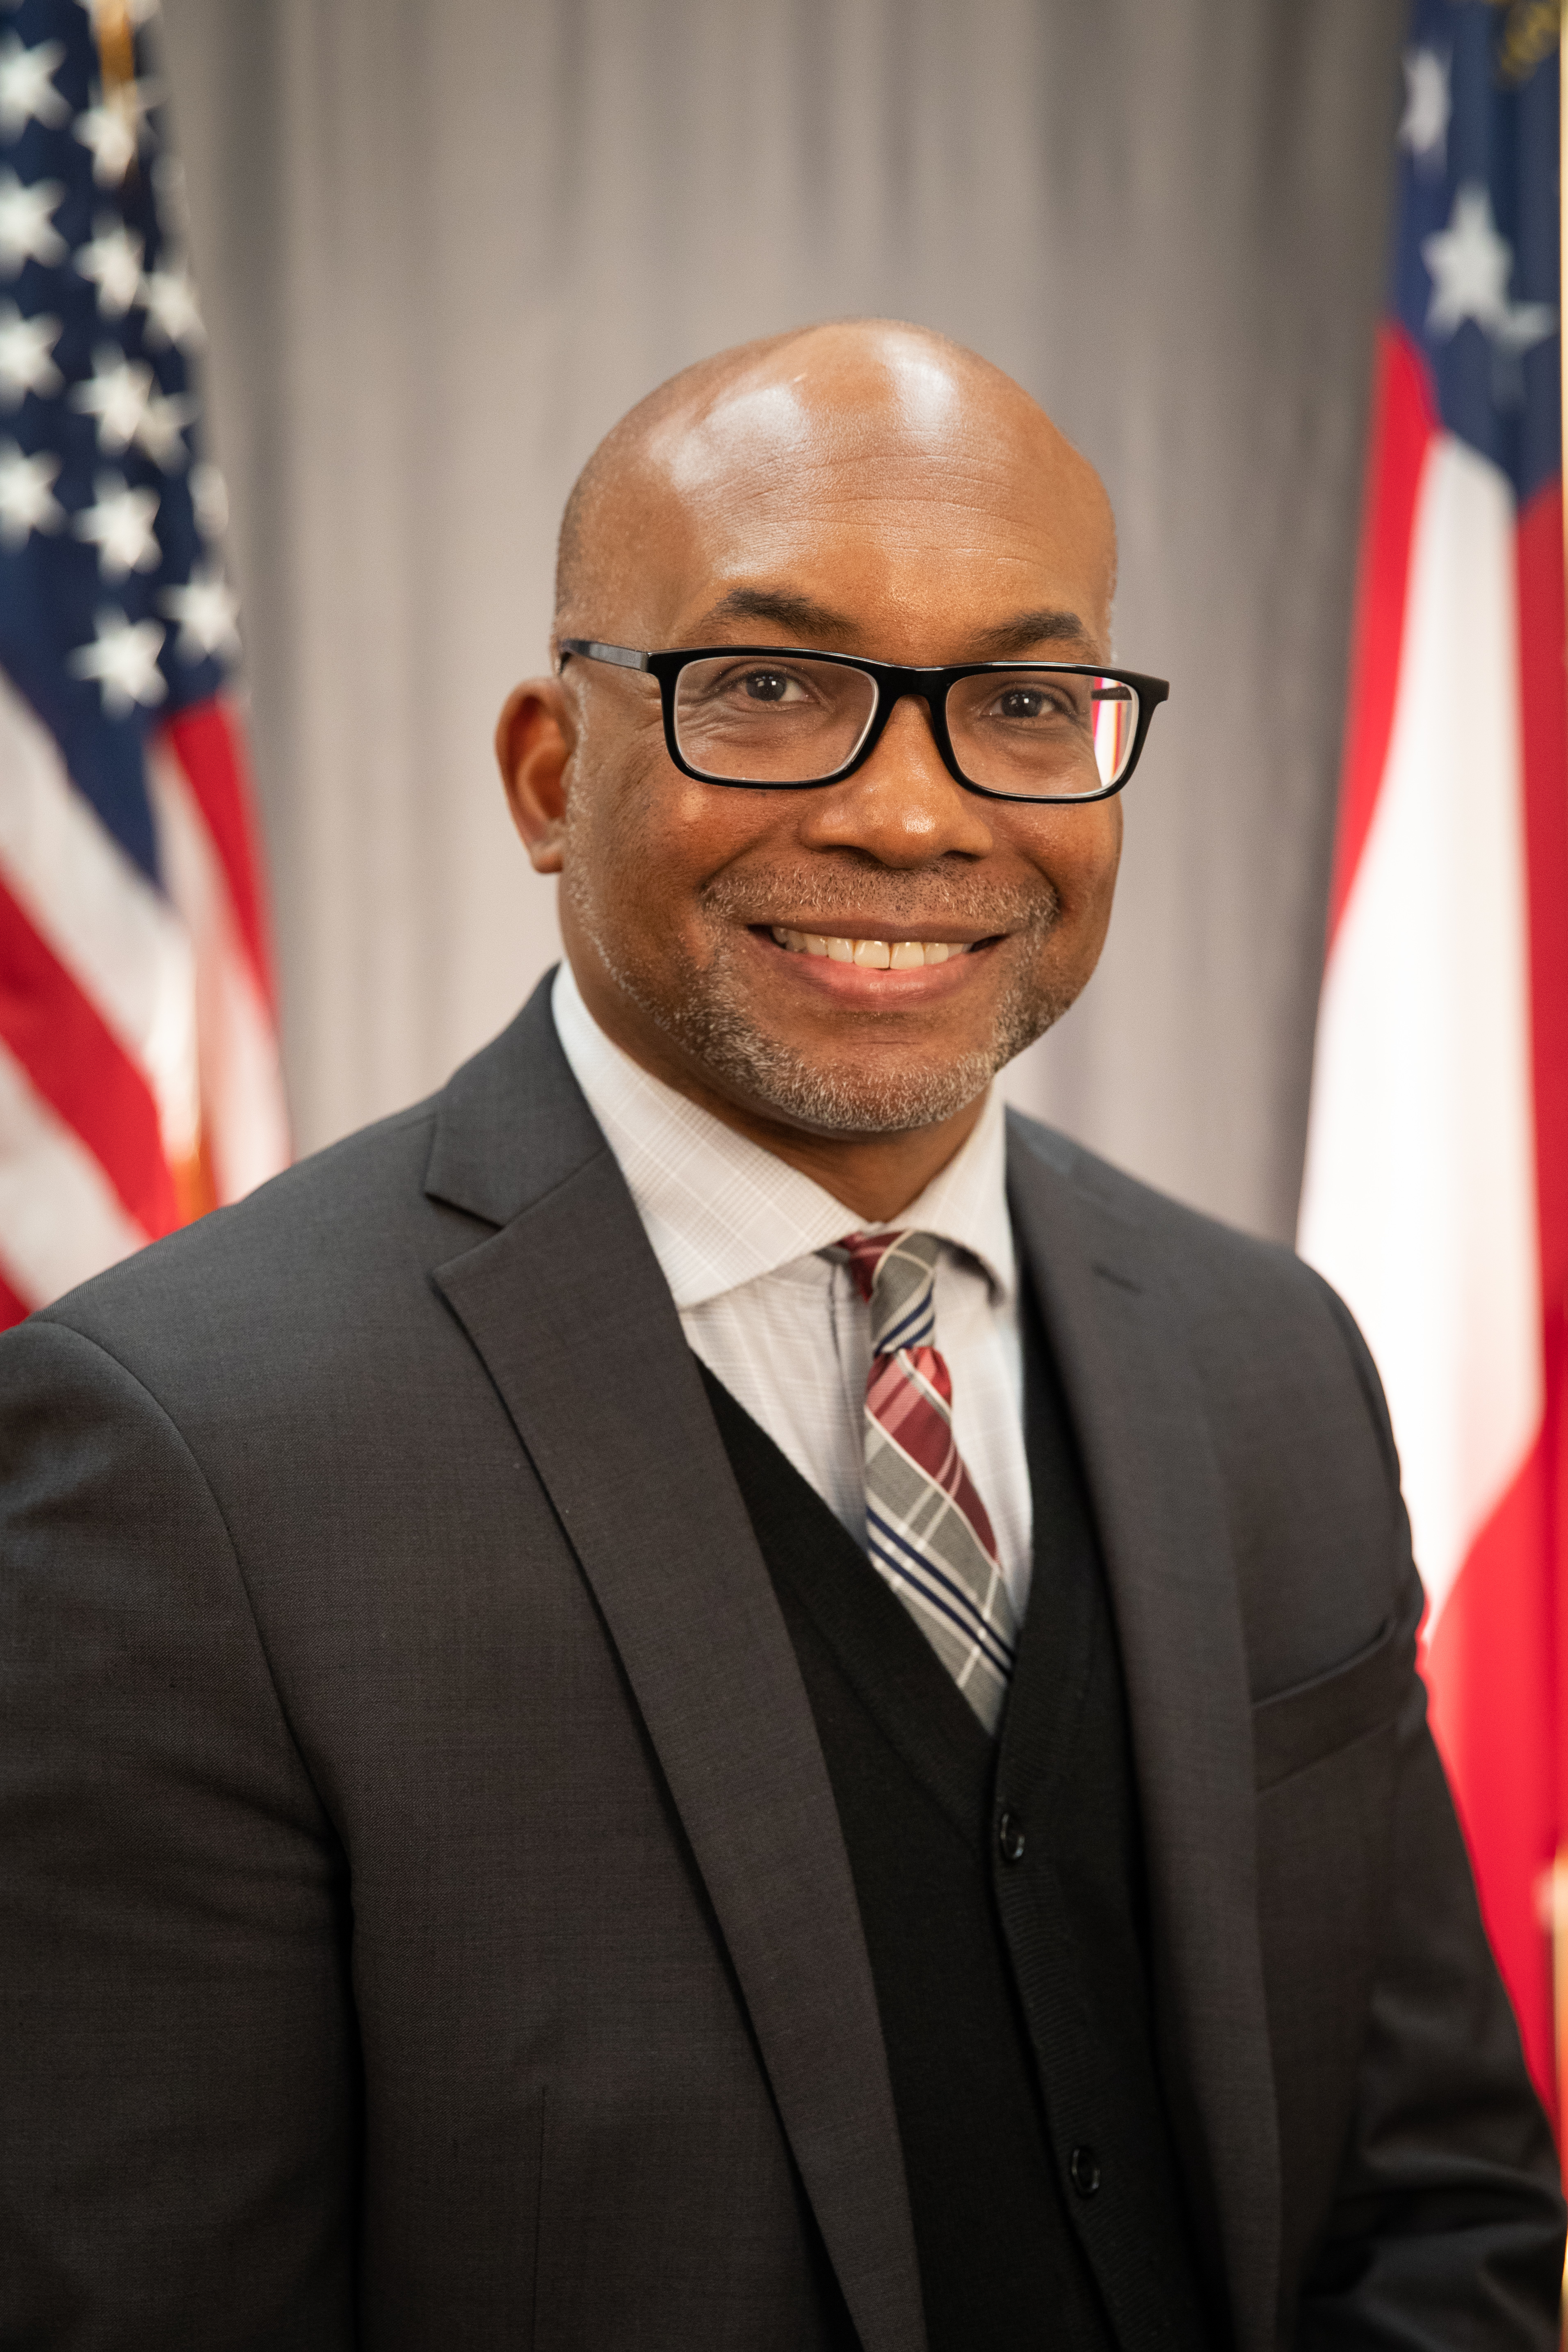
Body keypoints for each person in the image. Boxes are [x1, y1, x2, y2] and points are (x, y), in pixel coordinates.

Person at [0, 319, 1561, 2352]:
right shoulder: (183, 1454)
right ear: (551, 777)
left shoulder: (1265, 1360)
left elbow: (1434, 2203)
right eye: (768, 688)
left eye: (1017, 700)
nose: (913, 820)